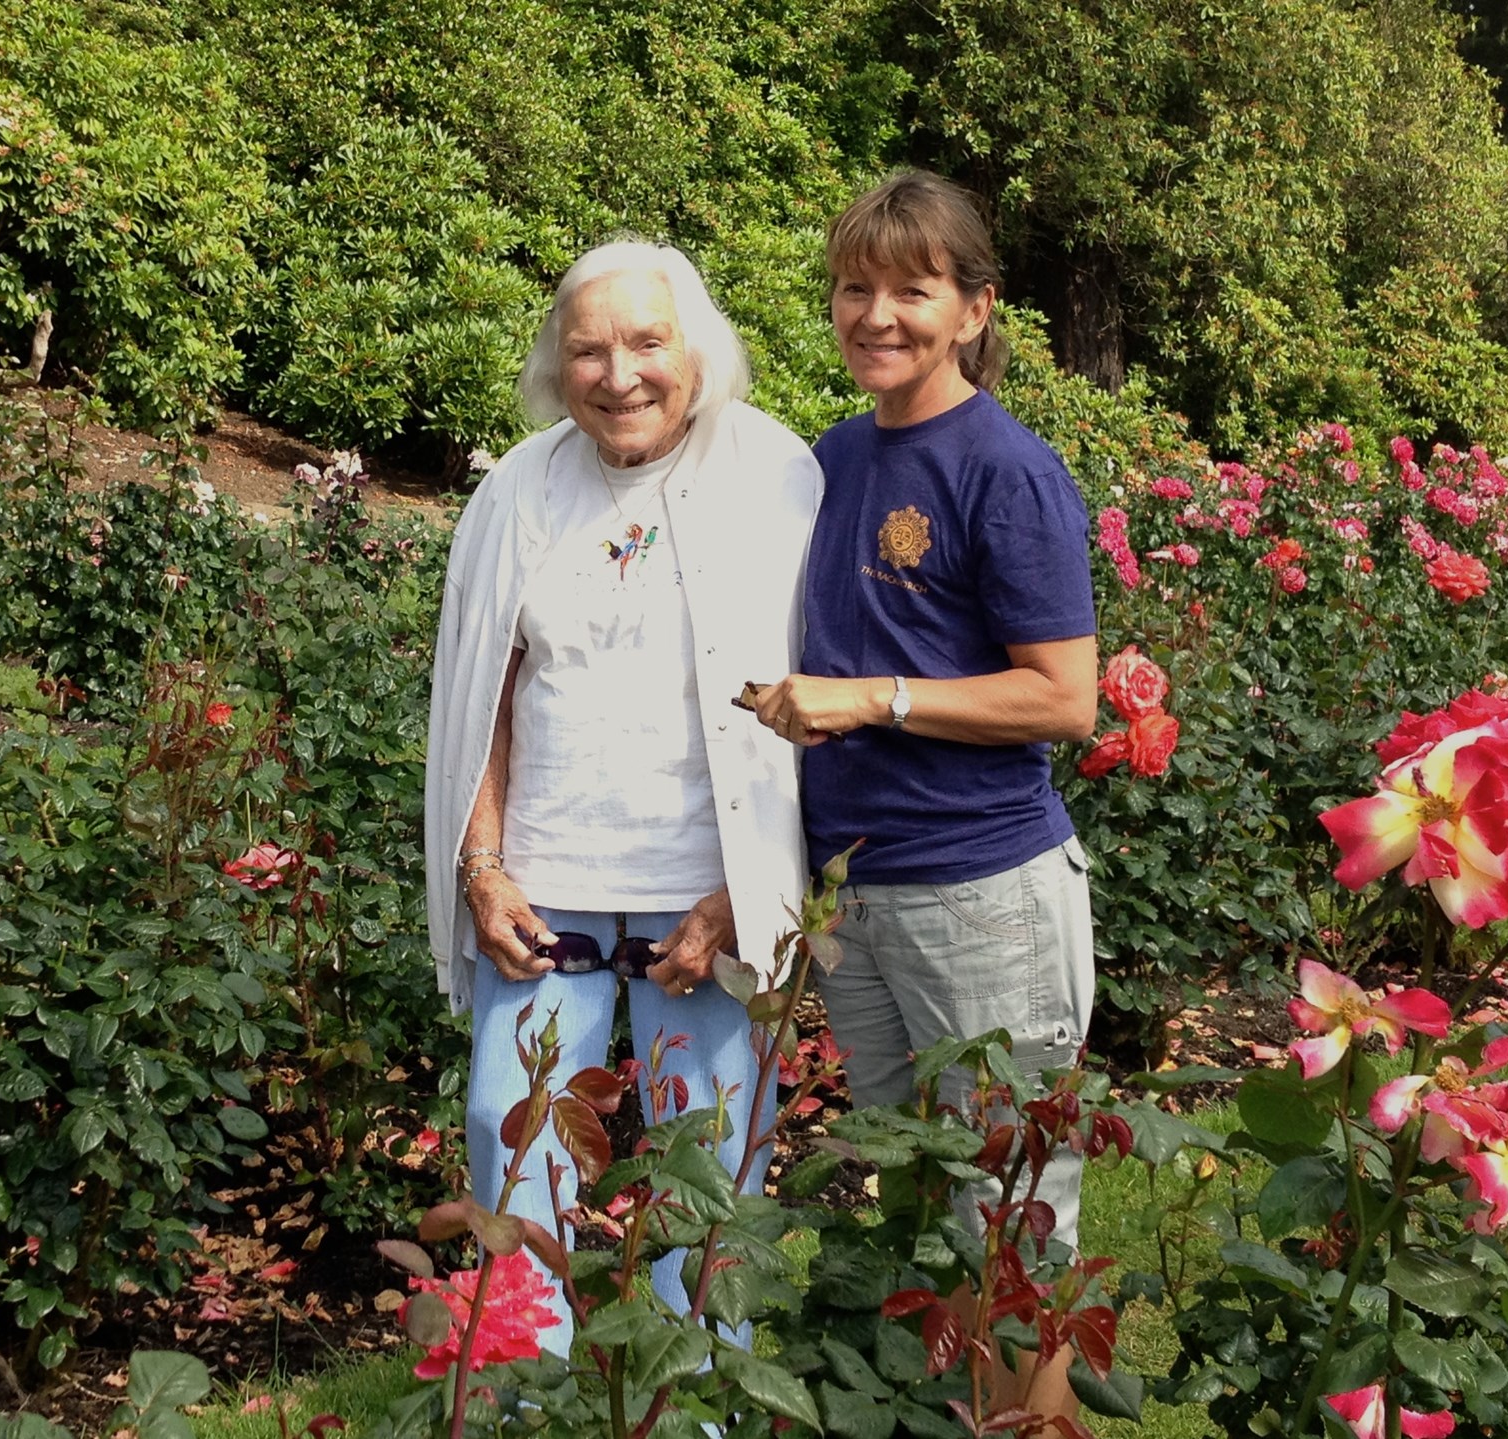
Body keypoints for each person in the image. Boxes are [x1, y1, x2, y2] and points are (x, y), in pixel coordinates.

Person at [425, 239, 821, 1350]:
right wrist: (481, 865)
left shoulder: (777, 475)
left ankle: (702, 1398)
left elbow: (820, 687)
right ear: (558, 366)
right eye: (589, 350)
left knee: (712, 1159)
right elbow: (483, 698)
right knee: (512, 1138)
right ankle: (523, 1389)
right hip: (541, 888)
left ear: (698, 351)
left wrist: (753, 889)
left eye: (647, 342)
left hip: (708, 889)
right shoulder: (519, 486)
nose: (619, 374)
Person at [751, 171, 1097, 1406]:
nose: (878, 314)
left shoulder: (1006, 469)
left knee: (1011, 1211)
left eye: (913, 288)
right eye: (856, 287)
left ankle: (1034, 1424)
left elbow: (1064, 696)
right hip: (859, 893)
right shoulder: (833, 457)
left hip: (980, 888)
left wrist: (873, 696)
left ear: (974, 308)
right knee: (917, 1198)